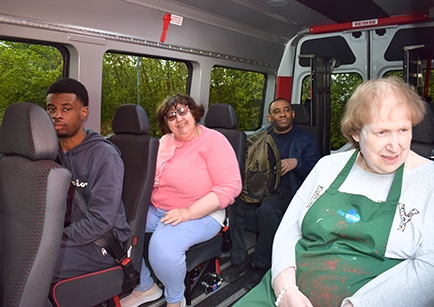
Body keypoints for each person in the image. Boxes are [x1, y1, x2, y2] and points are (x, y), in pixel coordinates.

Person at [234, 77, 434, 307]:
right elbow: (288, 231)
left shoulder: (428, 180)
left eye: (403, 130)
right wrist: (285, 289)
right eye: (382, 132)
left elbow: (429, 269)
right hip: (285, 290)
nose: (395, 145)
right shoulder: (328, 166)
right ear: (357, 133)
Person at [120, 94, 242, 307]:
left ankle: (176, 300)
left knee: (163, 248)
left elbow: (229, 187)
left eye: (183, 111)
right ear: (166, 123)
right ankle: (145, 286)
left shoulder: (214, 141)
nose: (179, 119)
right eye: (171, 115)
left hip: (202, 212)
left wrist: (188, 212)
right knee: (119, 230)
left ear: (194, 112)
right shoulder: (164, 142)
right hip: (159, 208)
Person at [223, 98, 320, 289]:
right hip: (258, 187)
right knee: (234, 204)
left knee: (268, 209)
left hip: (288, 190)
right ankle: (238, 259)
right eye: (277, 111)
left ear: (292, 114)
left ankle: (261, 265)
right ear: (270, 116)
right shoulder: (260, 136)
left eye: (286, 110)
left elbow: (318, 171)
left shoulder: (306, 139)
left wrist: (296, 163)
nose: (282, 114)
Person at [46, 78, 131, 282]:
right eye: (51, 109)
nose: (57, 115)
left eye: (66, 109)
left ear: (83, 113)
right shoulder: (48, 152)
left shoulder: (104, 156)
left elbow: (100, 221)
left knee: (33, 270)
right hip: (66, 234)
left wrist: (52, 240)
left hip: (102, 241)